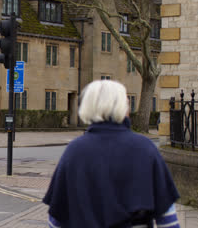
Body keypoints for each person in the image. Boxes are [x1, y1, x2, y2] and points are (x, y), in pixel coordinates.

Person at [43, 80, 180, 228]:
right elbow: (167, 218)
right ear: (123, 108)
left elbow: (56, 218)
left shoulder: (74, 151)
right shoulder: (144, 148)